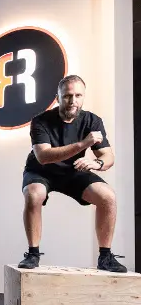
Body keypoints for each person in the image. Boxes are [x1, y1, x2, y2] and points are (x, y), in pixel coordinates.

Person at [19, 75, 125, 272]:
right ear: (58, 97)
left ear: (83, 97)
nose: (72, 101)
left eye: (78, 95)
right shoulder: (40, 121)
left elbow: (108, 156)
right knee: (34, 195)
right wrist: (83, 144)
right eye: (67, 96)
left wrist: (97, 163)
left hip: (73, 170)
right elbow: (43, 156)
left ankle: (105, 256)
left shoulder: (92, 121)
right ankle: (33, 254)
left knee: (108, 197)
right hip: (41, 171)